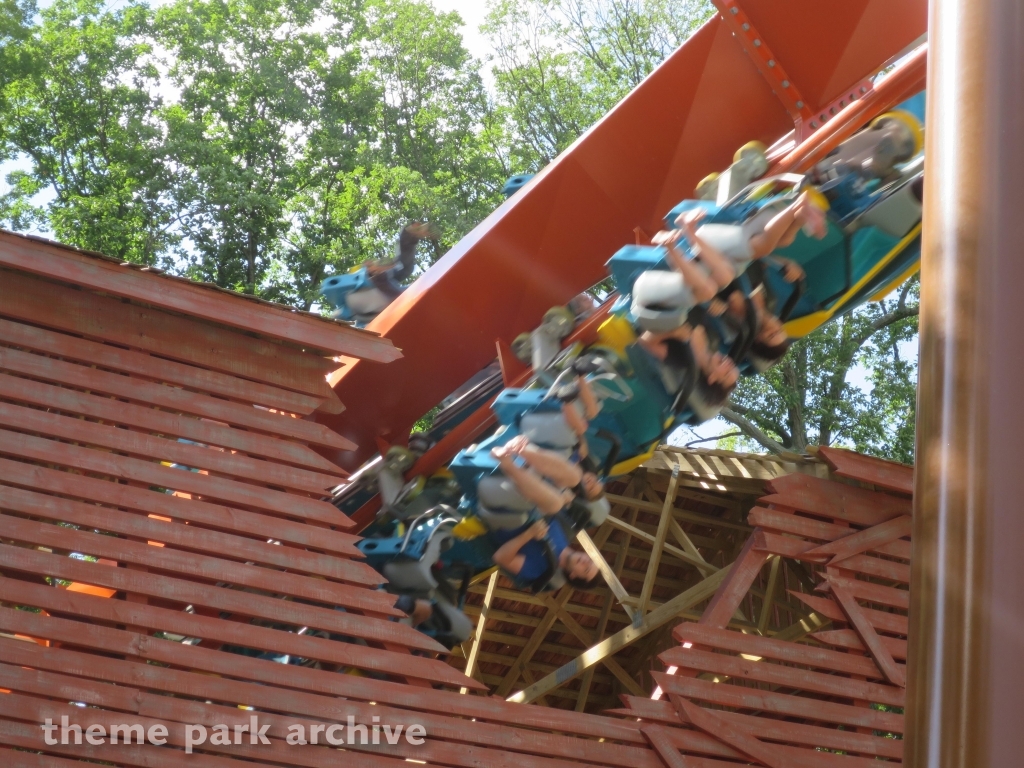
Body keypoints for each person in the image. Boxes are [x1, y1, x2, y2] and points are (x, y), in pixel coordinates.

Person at [491, 518, 600, 592]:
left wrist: (529, 534)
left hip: (498, 520)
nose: (586, 562)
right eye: (590, 561)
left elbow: (500, 557)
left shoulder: (539, 570)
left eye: (586, 569)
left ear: (573, 576)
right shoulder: (565, 531)